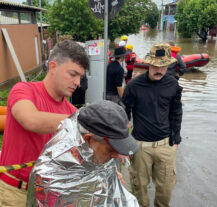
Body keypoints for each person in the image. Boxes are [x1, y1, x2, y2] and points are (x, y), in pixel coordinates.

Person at [0, 40, 89, 207]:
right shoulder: (23, 90)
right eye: (73, 74)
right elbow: (30, 120)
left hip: (49, 194)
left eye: (80, 77)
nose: (78, 83)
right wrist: (83, 120)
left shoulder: (71, 111)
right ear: (53, 67)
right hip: (15, 193)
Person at [26, 100, 140, 207]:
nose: (116, 156)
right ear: (88, 139)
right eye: (110, 150)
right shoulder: (49, 178)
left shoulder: (100, 156)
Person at [122, 43, 183, 207]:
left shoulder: (173, 85)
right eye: (155, 65)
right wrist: (123, 145)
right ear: (149, 63)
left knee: (166, 190)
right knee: (139, 188)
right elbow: (124, 116)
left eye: (163, 66)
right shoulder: (133, 86)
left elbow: (176, 112)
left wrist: (176, 140)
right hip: (140, 146)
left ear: (168, 65)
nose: (159, 70)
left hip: (165, 145)